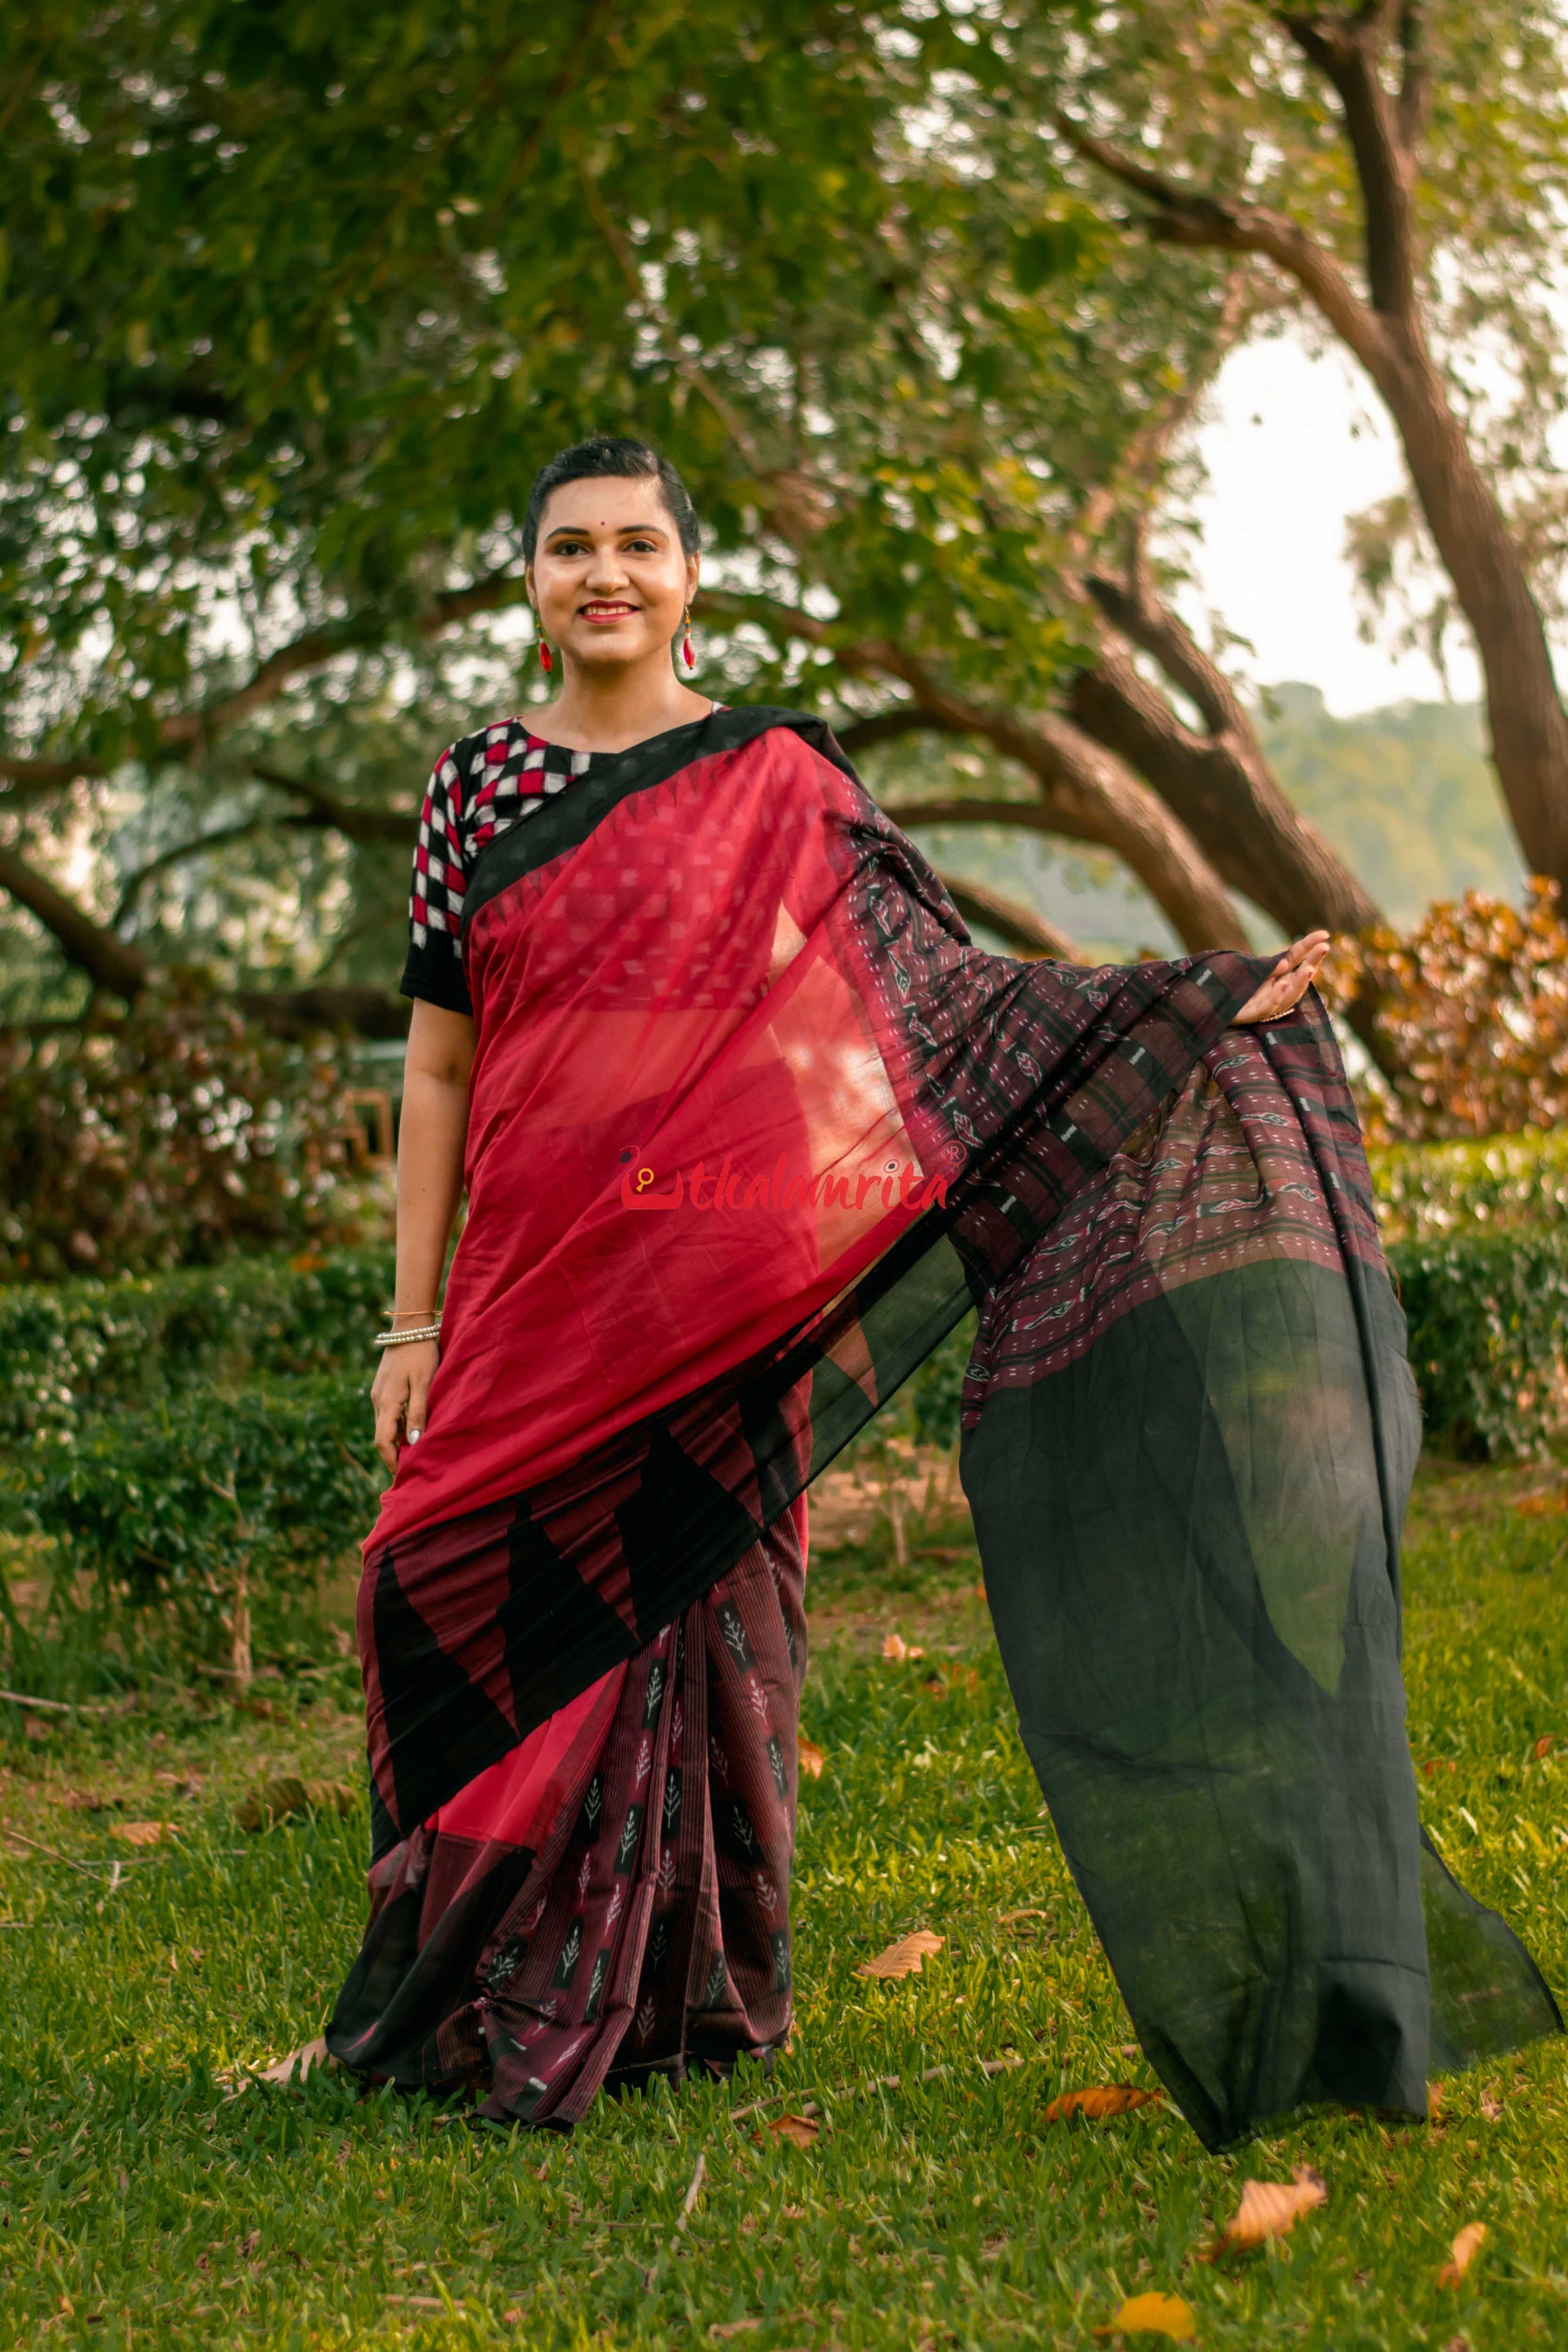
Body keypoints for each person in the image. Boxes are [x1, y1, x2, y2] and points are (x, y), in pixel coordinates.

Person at [328, 436, 1559, 2146]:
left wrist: (1187, 1004)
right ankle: (464, 1986)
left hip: (710, 1262)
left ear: (691, 575)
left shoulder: (777, 775)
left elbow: (933, 994)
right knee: (429, 1579)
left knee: (678, 1612)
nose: (601, 572)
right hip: (533, 1277)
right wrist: (416, 1316)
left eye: (635, 544)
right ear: (529, 584)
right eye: (566, 548)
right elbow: (442, 1068)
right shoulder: (472, 787)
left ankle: (658, 1990)